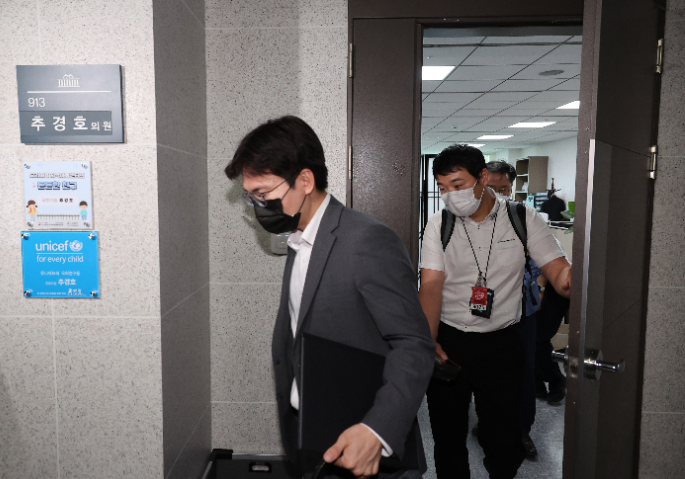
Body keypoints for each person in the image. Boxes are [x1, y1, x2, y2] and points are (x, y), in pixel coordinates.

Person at [224, 116, 434, 479]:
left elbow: (414, 344)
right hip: (311, 436)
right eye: (250, 196)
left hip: (362, 444)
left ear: (305, 181)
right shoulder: (299, 238)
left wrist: (377, 431)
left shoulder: (367, 240)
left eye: (263, 193)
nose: (257, 206)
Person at [419, 145, 571, 479]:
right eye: (443, 188)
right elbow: (430, 285)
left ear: (483, 178)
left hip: (502, 344)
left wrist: (570, 280)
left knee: (504, 441)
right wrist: (429, 341)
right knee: (448, 438)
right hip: (449, 342)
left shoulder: (521, 218)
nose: (450, 195)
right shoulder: (439, 224)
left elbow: (558, 270)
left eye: (458, 185)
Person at [484, 160, 542, 458]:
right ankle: (489, 424)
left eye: (504, 188)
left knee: (523, 372)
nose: (498, 194)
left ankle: (522, 431)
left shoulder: (526, 220)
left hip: (522, 315)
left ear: (512, 188)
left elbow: (540, 266)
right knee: (487, 372)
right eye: (491, 188)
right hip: (483, 314)